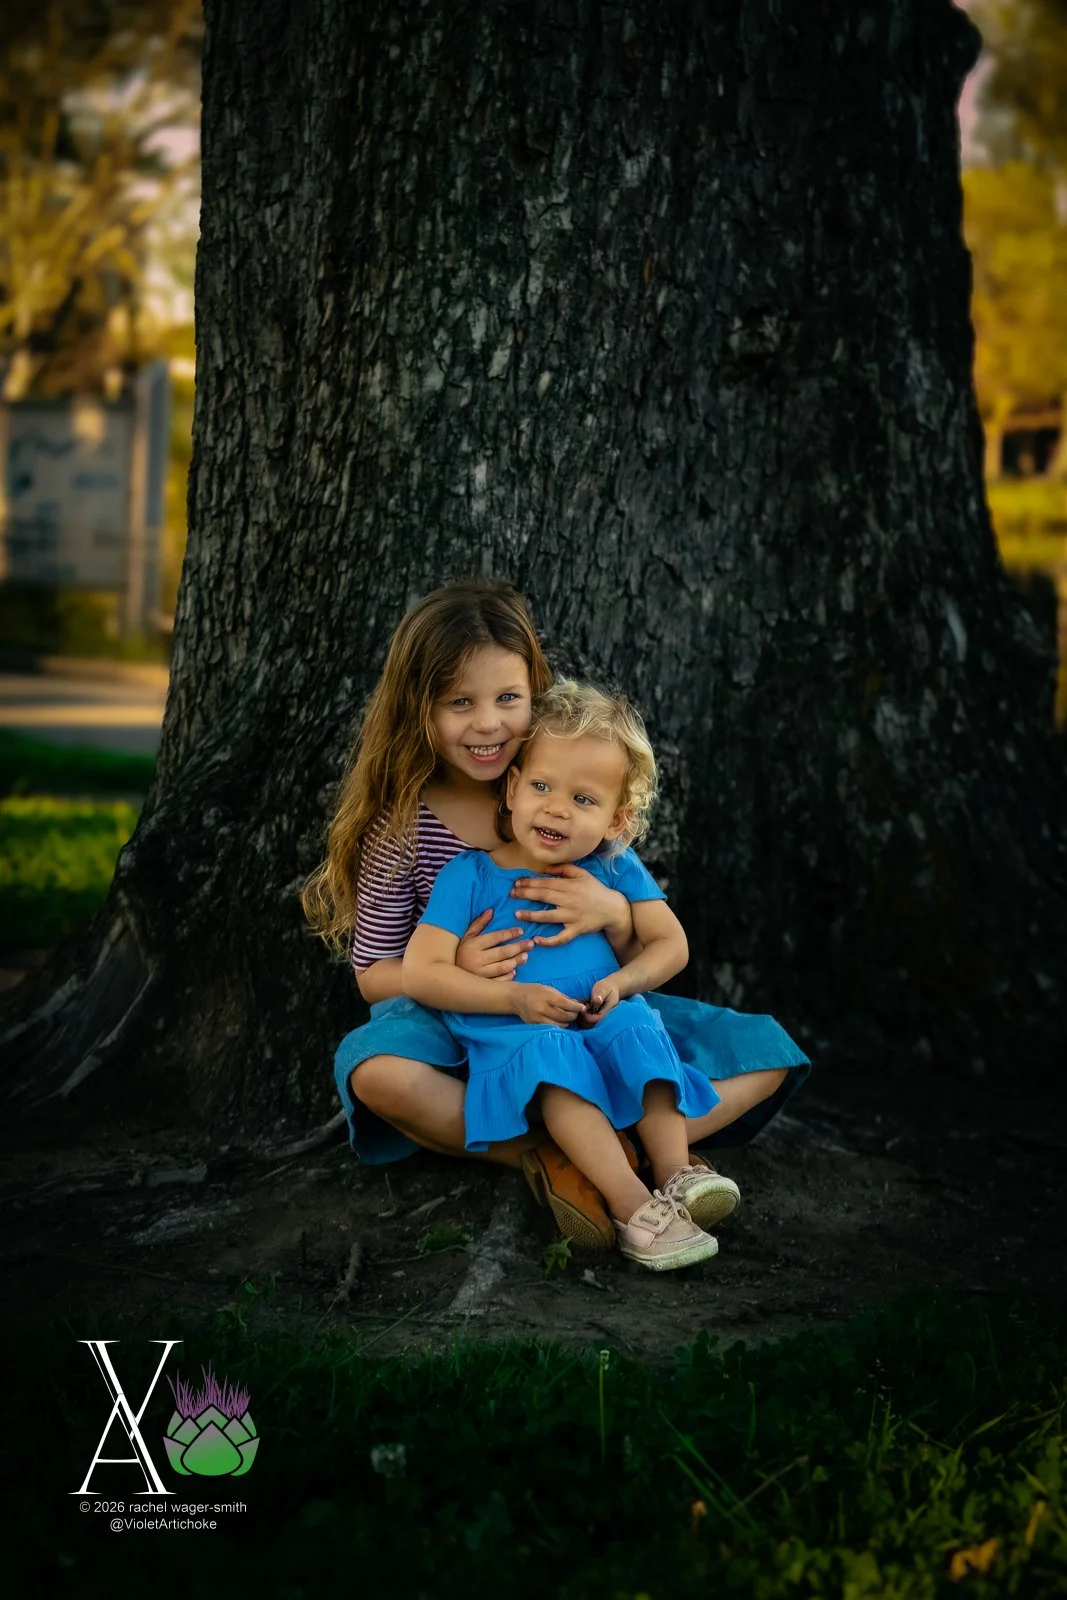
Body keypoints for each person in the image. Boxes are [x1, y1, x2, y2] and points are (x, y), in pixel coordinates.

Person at [302, 577, 811, 1248]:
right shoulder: (402, 827)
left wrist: (610, 912)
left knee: (763, 1053)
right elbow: (374, 976)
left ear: (532, 695)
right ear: (416, 709)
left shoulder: (576, 797)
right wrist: (464, 970)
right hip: (458, 1028)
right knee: (376, 1073)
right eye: (459, 703)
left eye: (507, 699)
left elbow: (645, 950)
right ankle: (558, 1155)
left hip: (588, 1013)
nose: (487, 724)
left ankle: (612, 1152)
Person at [402, 681, 736, 1269]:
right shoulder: (469, 876)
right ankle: (633, 1208)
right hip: (521, 1035)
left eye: (584, 800)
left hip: (600, 1020)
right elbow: (421, 973)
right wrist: (512, 997)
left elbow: (671, 944)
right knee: (555, 1056)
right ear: (512, 787)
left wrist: (624, 983)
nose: (556, 807)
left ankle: (678, 1175)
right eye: (541, 786)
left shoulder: (612, 863)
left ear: (617, 818)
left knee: (638, 1027)